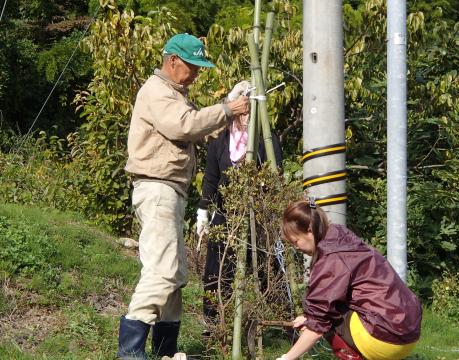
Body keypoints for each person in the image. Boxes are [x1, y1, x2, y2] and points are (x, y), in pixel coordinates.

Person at [118, 33, 250, 359]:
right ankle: (130, 353)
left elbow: (198, 127)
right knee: (161, 272)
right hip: (157, 187)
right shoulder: (157, 91)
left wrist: (230, 108)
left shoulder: (175, 93)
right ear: (173, 60)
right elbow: (183, 126)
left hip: (171, 191)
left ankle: (166, 351)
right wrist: (226, 109)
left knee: (175, 276)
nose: (195, 74)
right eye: (192, 67)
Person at [277, 199, 422, 360]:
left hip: (385, 337)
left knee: (324, 314)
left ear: (309, 230)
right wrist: (309, 318)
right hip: (410, 331)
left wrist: (286, 358)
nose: (296, 247)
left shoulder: (330, 258)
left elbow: (318, 324)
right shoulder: (343, 238)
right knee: (323, 309)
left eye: (296, 241)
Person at [196, 95, 283, 329]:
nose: (244, 118)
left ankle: (282, 323)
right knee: (217, 272)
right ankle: (215, 325)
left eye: (248, 112)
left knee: (269, 270)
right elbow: (211, 178)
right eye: (241, 112)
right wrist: (203, 212)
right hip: (225, 215)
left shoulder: (267, 139)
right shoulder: (220, 139)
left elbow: (277, 175)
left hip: (258, 216)